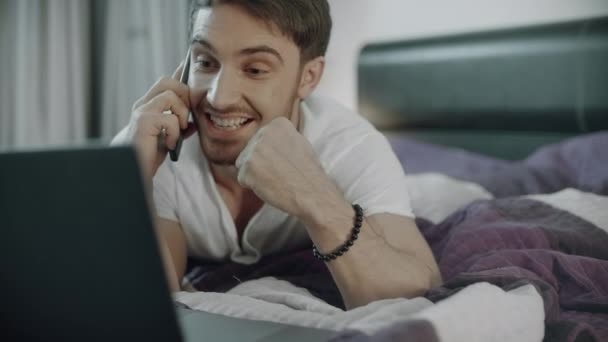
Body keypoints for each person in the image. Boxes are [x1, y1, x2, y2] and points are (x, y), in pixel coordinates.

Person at [113, 0, 441, 310]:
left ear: (308, 77)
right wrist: (132, 180)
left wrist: (317, 201)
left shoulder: (349, 147)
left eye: (255, 69)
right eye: (206, 62)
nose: (219, 97)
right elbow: (144, 304)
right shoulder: (156, 148)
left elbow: (416, 294)